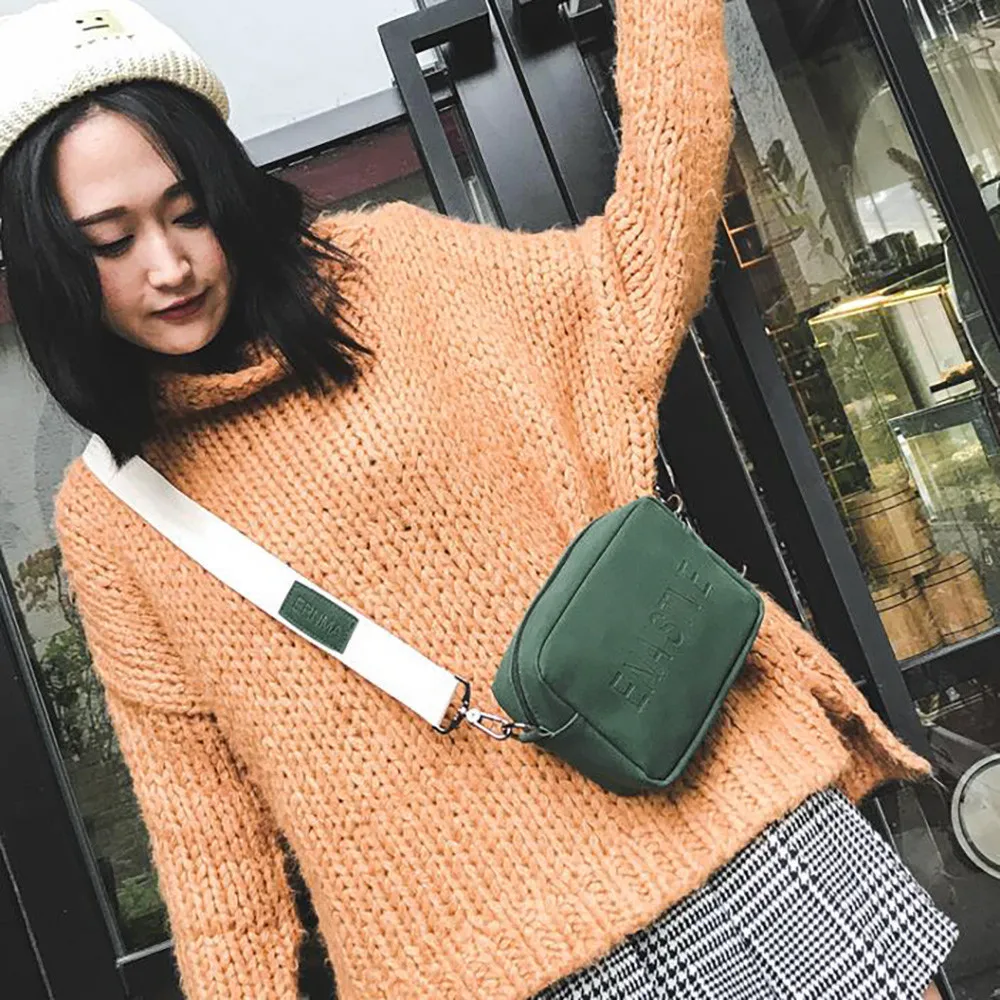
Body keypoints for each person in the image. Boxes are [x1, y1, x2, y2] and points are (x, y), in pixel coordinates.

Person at [0, 1, 958, 998]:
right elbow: (212, 847)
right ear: (49, 263)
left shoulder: (391, 275)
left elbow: (636, 273)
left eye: (188, 210)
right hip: (483, 973)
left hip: (739, 844)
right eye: (109, 241)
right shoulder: (114, 515)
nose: (168, 266)